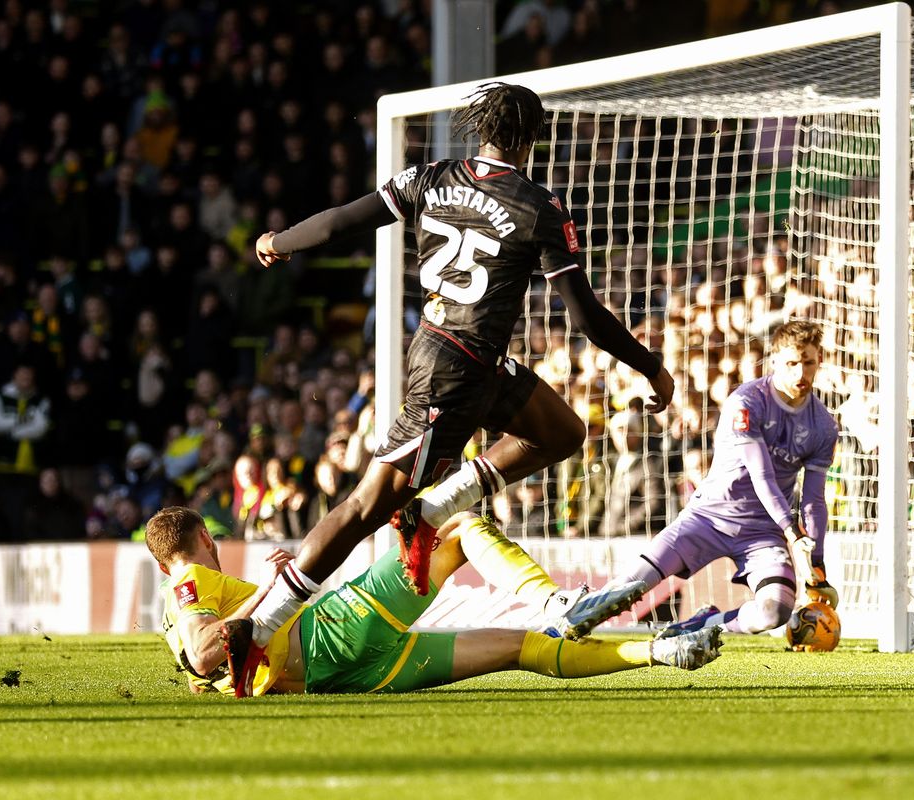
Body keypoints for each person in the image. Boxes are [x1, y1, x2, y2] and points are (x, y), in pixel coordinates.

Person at [244, 82, 673, 695]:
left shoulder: (431, 177)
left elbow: (344, 221)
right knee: (366, 507)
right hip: (455, 372)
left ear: (479, 128)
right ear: (535, 136)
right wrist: (651, 365)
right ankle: (262, 628)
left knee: (561, 431)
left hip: (466, 359)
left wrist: (278, 241)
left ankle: (434, 509)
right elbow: (585, 319)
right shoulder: (539, 207)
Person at [144, 506, 721, 698]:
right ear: (200, 540)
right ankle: (554, 602)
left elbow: (205, 665)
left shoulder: (170, 614)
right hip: (335, 630)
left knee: (521, 650)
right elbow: (203, 653)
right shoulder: (191, 579)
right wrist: (272, 591)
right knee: (462, 528)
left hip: (352, 676)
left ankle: (658, 652)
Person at [560, 320, 841, 640]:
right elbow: (760, 474)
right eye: (792, 363)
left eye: (808, 362)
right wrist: (792, 531)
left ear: (820, 360)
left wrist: (816, 564)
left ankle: (702, 624)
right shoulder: (747, 401)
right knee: (627, 590)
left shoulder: (823, 426)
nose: (800, 373)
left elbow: (814, 501)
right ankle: (559, 631)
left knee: (774, 612)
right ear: (774, 360)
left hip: (763, 534)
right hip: (707, 518)